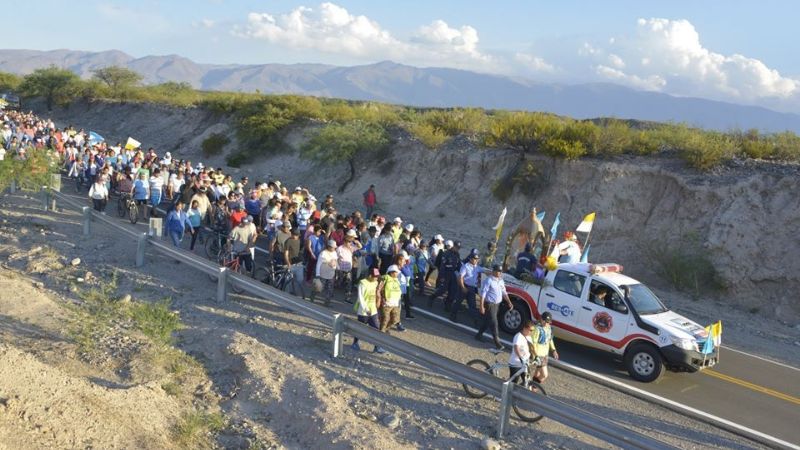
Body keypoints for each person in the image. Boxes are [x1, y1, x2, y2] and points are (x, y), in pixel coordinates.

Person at [476, 264, 514, 350]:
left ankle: (479, 335)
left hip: (497, 305)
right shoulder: (488, 280)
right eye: (497, 271)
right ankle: (497, 343)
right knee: (494, 322)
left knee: (487, 320)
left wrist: (509, 302)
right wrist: (481, 306)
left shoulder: (500, 281)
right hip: (489, 304)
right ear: (493, 271)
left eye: (500, 271)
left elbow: (504, 292)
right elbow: (483, 294)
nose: (499, 273)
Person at [352, 268, 386, 353]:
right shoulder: (362, 283)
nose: (376, 278)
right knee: (360, 329)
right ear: (370, 275)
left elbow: (376, 294)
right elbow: (361, 298)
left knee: (376, 329)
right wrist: (366, 309)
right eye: (375, 277)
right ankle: (355, 343)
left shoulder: (375, 282)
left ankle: (377, 347)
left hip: (373, 310)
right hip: (363, 311)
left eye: (377, 277)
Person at [452, 251, 482, 324]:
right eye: (475, 259)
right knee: (458, 302)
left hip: (471, 288)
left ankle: (476, 320)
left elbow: (486, 271)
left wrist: (495, 273)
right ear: (471, 259)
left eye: (477, 259)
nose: (477, 260)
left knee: (472, 305)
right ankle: (453, 316)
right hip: (464, 286)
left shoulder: (477, 267)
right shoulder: (465, 266)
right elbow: (460, 277)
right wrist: (462, 287)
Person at [530, 312, 559, 383]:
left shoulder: (548, 328)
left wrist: (554, 350)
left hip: (545, 355)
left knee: (537, 373)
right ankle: (533, 388)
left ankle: (531, 387)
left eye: (548, 322)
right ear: (541, 320)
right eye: (545, 321)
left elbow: (550, 340)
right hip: (539, 355)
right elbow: (533, 343)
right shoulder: (537, 329)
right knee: (544, 375)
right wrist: (535, 355)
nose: (546, 323)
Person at [378, 265, 403, 333]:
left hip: (395, 304)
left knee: (395, 320)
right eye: (396, 272)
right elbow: (378, 289)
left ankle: (386, 329)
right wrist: (381, 298)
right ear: (391, 272)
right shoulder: (385, 278)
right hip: (386, 303)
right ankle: (381, 334)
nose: (397, 274)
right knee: (385, 320)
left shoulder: (396, 280)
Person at [313, 239, 338, 306]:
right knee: (320, 288)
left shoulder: (335, 253)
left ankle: (327, 302)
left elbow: (335, 261)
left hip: (331, 274)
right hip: (323, 274)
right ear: (329, 247)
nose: (334, 248)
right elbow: (318, 264)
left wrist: (335, 269)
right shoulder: (323, 253)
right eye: (333, 247)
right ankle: (313, 295)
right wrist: (317, 274)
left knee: (330, 289)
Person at [509, 320, 534, 386]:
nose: (531, 332)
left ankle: (521, 394)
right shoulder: (518, 336)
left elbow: (532, 348)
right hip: (516, 364)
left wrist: (536, 356)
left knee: (527, 381)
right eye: (530, 330)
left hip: (525, 364)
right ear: (524, 328)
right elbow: (516, 348)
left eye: (532, 330)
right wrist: (521, 358)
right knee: (513, 384)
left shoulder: (528, 337)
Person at [283, 229, 306, 299]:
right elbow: (286, 253)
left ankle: (294, 293)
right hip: (290, 263)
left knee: (300, 280)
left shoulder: (300, 241)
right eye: (295, 235)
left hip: (299, 263)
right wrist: (288, 263)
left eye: (297, 235)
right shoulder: (288, 241)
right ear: (292, 234)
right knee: (288, 281)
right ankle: (286, 295)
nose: (296, 237)